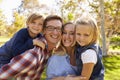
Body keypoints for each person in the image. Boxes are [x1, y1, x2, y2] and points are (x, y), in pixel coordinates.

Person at [0, 15, 63, 80]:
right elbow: (16, 51)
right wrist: (32, 42)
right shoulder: (23, 34)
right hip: (3, 57)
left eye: (40, 24)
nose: (36, 26)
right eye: (50, 28)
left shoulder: (40, 38)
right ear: (28, 23)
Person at [65, 14, 104, 80]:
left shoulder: (89, 53)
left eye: (86, 35)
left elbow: (84, 78)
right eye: (78, 34)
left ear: (94, 34)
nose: (81, 38)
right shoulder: (87, 46)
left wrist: (69, 78)